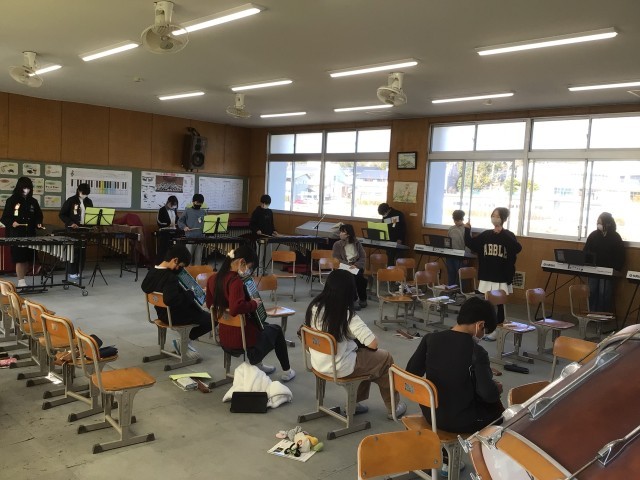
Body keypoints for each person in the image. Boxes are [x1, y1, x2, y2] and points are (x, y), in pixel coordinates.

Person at [305, 269, 407, 419]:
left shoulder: (314, 307)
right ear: (350, 291)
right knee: (384, 359)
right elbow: (373, 344)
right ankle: (393, 408)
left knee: (368, 360)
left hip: (317, 363)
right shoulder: (346, 314)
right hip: (340, 367)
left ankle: (354, 403)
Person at [406, 296, 503, 434]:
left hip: (430, 413)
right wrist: (496, 388)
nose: (482, 336)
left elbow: (411, 372)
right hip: (461, 421)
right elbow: (488, 394)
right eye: (484, 332)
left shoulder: (430, 339)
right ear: (480, 325)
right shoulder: (477, 352)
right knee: (501, 414)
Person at [205, 245, 295, 382]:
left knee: (264, 325)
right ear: (241, 262)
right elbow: (235, 308)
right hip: (241, 339)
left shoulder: (213, 278)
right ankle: (287, 371)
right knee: (276, 330)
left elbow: (210, 305)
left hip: (224, 336)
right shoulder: (235, 281)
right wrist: (253, 304)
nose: (249, 271)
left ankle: (258, 364)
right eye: (249, 267)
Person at [140, 245, 212, 359]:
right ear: (175, 260)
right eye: (180, 266)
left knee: (200, 312)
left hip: (161, 314)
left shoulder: (153, 271)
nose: (180, 269)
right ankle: (184, 341)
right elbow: (171, 300)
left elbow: (145, 287)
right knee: (212, 319)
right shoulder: (170, 277)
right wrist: (191, 294)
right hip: (174, 316)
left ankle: (184, 341)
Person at [464, 207, 521, 341]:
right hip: (487, 274)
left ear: (503, 219)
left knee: (500, 304)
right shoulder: (486, 234)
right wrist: (467, 230)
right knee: (487, 303)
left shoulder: (508, 235)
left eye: (497, 216)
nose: (494, 218)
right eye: (493, 215)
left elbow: (517, 248)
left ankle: (498, 328)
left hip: (501, 275)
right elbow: (471, 244)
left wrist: (502, 234)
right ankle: (486, 328)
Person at [1, 177, 44, 287]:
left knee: (27, 259)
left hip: (30, 234)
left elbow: (38, 216)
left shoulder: (33, 201)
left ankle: (23, 280)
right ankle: (21, 282)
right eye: (24, 188)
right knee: (20, 259)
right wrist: (12, 223)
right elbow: (5, 218)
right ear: (19, 187)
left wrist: (38, 223)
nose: (26, 190)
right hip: (16, 234)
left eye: (28, 188)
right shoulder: (12, 200)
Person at [583, 212, 625, 312]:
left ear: (608, 224)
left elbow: (620, 255)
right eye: (598, 223)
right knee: (592, 291)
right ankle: (592, 313)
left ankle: (603, 315)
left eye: (601, 223)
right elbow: (586, 251)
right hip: (593, 269)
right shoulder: (593, 235)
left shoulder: (616, 237)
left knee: (604, 293)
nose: (598, 225)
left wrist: (615, 269)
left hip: (608, 271)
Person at [58, 183, 93, 279]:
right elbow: (62, 214)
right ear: (78, 191)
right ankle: (72, 272)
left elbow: (91, 215)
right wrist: (71, 223)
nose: (84, 195)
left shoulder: (89, 201)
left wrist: (91, 225)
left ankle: (79, 271)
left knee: (82, 251)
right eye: (83, 193)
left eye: (86, 194)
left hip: (84, 229)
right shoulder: (71, 200)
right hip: (72, 229)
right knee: (73, 251)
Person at [332, 224, 368, 309]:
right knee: (352, 277)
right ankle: (353, 300)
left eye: (342, 232)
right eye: (340, 232)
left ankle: (363, 298)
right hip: (344, 266)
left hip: (356, 266)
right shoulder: (337, 244)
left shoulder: (357, 243)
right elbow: (337, 258)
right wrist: (349, 265)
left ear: (348, 234)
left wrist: (356, 265)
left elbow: (363, 256)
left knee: (361, 278)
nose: (340, 234)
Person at [178, 193, 206, 266]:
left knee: (198, 258)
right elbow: (180, 221)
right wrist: (184, 227)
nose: (199, 204)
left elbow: (206, 223)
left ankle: (197, 272)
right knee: (188, 258)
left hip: (200, 238)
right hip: (190, 237)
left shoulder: (203, 212)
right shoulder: (187, 211)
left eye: (200, 203)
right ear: (193, 202)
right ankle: (187, 272)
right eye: (197, 202)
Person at [156, 195, 180, 264]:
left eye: (175, 205)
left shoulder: (174, 210)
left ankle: (172, 263)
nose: (173, 206)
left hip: (173, 231)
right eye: (172, 204)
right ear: (168, 202)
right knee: (164, 249)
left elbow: (177, 219)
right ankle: (161, 264)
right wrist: (168, 224)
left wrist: (178, 223)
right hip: (164, 231)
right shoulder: (162, 210)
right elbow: (159, 222)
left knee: (174, 248)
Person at [446, 209, 468, 286]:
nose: (456, 222)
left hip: (461, 256)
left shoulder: (466, 229)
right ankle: (450, 289)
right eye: (455, 220)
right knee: (451, 273)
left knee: (461, 275)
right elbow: (447, 241)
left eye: (458, 220)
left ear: (462, 219)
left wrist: (466, 257)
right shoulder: (451, 228)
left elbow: (468, 244)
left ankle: (460, 291)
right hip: (450, 255)